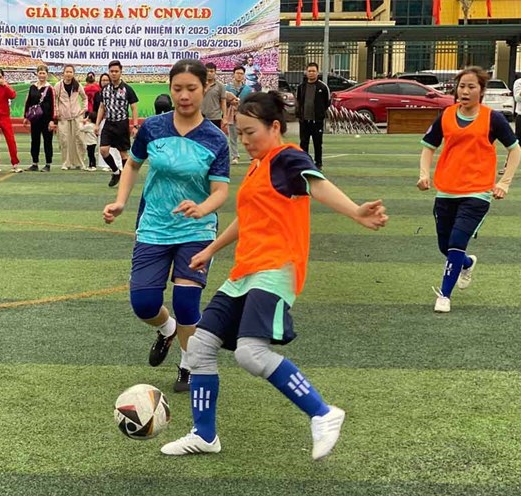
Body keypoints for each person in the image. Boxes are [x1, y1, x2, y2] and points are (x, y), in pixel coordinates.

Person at [159, 90, 388, 458]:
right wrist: (210, 249)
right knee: (200, 346)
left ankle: (323, 413)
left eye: (250, 132)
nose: (244, 140)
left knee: (250, 353)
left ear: (275, 127)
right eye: (240, 133)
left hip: (276, 268)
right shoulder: (257, 167)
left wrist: (355, 211)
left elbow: (316, 184)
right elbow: (247, 218)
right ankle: (204, 435)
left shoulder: (287, 158)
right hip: (244, 272)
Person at [103, 59, 231, 393]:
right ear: (170, 89)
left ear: (205, 88)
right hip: (155, 226)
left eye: (191, 88)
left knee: (187, 302)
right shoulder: (153, 127)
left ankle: (189, 365)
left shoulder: (215, 139)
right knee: (144, 303)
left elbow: (220, 191)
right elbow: (133, 165)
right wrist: (121, 201)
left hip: (196, 230)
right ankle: (167, 329)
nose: (184, 96)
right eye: (178, 88)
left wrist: (202, 207)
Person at [418, 66, 520, 313]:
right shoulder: (446, 115)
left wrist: (504, 183)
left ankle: (444, 295)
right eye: (461, 86)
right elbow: (428, 146)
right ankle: (466, 263)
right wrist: (424, 174)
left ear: (481, 91)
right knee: (445, 246)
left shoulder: (493, 118)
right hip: (446, 190)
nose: (464, 91)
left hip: (477, 193)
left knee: (456, 241)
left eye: (471, 87)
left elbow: (515, 149)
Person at [95, 60, 139, 187]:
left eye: (116, 71)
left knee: (123, 153)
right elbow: (102, 107)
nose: (113, 73)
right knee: (103, 150)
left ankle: (126, 177)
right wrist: (97, 124)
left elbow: (134, 107)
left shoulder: (127, 89)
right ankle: (116, 172)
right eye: (111, 71)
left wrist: (135, 126)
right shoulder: (105, 89)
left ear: (120, 72)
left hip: (121, 124)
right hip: (108, 123)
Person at [51, 64, 88, 170]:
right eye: (66, 72)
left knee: (79, 140)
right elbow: (54, 99)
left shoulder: (77, 85)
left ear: (73, 73)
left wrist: (84, 108)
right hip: (63, 117)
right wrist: (56, 111)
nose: (68, 74)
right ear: (63, 73)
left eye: (70, 72)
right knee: (64, 140)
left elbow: (84, 98)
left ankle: (80, 162)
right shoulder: (58, 86)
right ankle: (66, 163)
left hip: (77, 116)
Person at [295, 63, 331, 169]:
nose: (311, 73)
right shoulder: (301, 87)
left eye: (313, 71)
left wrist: (320, 113)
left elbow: (327, 102)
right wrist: (300, 115)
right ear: (306, 72)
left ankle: (318, 163)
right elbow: (298, 101)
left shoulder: (322, 87)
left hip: (317, 121)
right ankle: (304, 163)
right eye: (309, 71)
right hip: (304, 121)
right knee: (303, 143)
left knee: (317, 143)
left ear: (317, 72)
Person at [23, 65, 55, 172]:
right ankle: (34, 163)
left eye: (43, 73)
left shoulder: (50, 88)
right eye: (40, 73)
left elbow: (53, 105)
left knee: (47, 141)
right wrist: (26, 117)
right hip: (35, 119)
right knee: (34, 141)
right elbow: (28, 102)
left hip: (46, 119)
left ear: (47, 74)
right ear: (37, 74)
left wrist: (52, 120)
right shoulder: (32, 87)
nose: (42, 75)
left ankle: (48, 164)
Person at [226, 66, 253, 165]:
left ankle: (252, 156)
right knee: (232, 137)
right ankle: (234, 156)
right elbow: (223, 102)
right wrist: (230, 103)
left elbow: (250, 103)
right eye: (237, 73)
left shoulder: (248, 89)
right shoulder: (227, 88)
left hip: (243, 115)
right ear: (233, 74)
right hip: (231, 115)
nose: (239, 75)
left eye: (241, 74)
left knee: (248, 136)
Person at [201, 62, 228, 132]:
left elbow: (223, 102)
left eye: (211, 71)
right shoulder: (199, 85)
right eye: (207, 71)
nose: (209, 73)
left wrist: (224, 117)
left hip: (215, 117)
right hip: (200, 117)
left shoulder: (220, 86)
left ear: (215, 72)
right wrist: (205, 89)